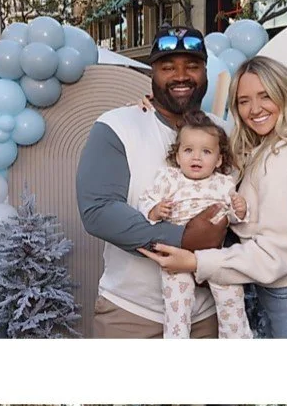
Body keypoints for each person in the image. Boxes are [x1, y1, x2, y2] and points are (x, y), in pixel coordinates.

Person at [148, 56, 287, 340]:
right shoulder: (266, 147)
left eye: (265, 96)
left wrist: (195, 263)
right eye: (244, 101)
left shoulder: (285, 159)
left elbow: (274, 255)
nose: (254, 109)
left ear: (285, 95)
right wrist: (153, 111)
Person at [76, 25, 229, 339]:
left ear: (206, 73)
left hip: (207, 316)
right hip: (130, 315)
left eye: (192, 66)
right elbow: (99, 211)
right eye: (168, 67)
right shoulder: (117, 126)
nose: (181, 75)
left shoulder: (224, 132)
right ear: (152, 74)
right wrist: (183, 238)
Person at [137, 111, 252, 339]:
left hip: (213, 255)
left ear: (219, 160)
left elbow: (234, 218)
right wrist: (155, 209)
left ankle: (237, 337)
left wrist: (240, 210)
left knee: (232, 295)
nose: (196, 158)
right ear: (178, 156)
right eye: (188, 150)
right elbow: (146, 200)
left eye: (206, 152)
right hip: (178, 252)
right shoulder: (169, 178)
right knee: (177, 306)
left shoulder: (222, 183)